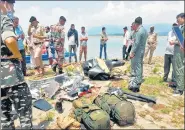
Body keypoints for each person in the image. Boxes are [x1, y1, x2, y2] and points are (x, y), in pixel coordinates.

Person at [1, 0, 33, 129]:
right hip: (11, 77)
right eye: (11, 5)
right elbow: (9, 39)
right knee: (24, 114)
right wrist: (17, 54)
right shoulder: (4, 18)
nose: (12, 9)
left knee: (5, 117)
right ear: (4, 3)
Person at [129, 17, 148, 92]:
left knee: (138, 66)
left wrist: (132, 52)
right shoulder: (144, 30)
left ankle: (138, 80)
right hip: (141, 50)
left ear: (136, 23)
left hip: (138, 51)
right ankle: (138, 78)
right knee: (139, 65)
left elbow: (136, 43)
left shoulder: (140, 31)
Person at [170, 13, 184, 95]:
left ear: (183, 18)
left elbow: (182, 41)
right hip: (180, 50)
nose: (177, 21)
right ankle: (180, 86)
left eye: (178, 19)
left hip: (180, 51)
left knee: (179, 68)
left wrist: (174, 42)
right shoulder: (181, 27)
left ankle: (180, 89)